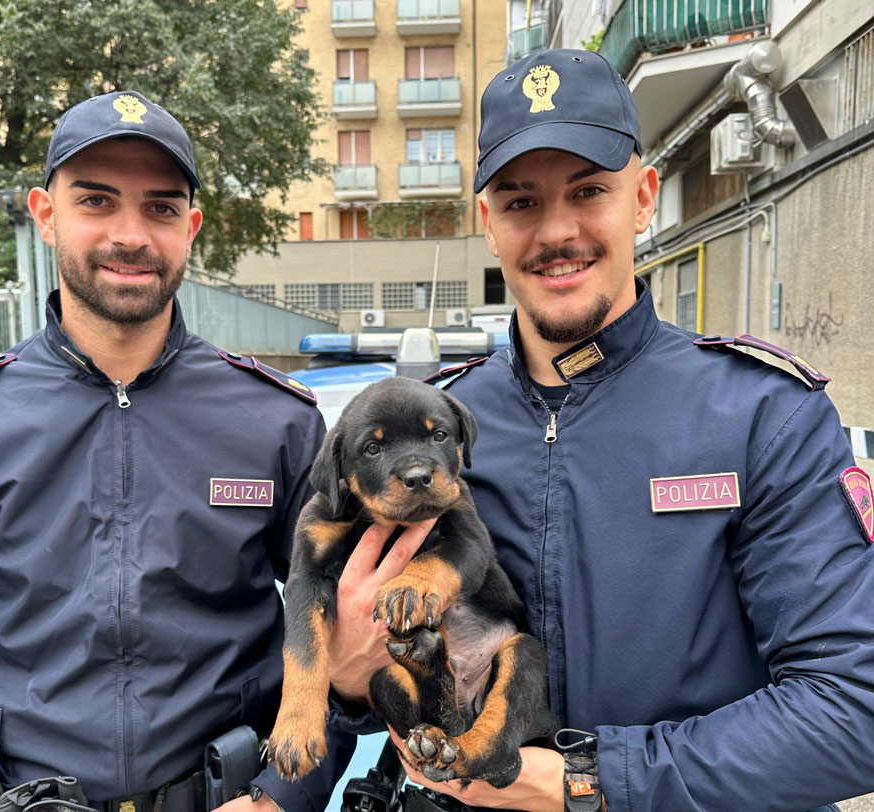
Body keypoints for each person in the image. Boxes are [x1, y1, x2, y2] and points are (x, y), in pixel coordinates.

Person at [328, 49, 874, 811]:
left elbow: (852, 713)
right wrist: (348, 687)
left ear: (643, 198)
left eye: (589, 191)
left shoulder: (762, 415)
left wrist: (589, 782)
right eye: (520, 202)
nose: (557, 231)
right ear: (489, 225)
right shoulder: (437, 431)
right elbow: (358, 670)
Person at [0, 90, 354, 811]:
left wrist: (283, 795)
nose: (131, 235)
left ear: (190, 228)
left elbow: (353, 634)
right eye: (96, 201)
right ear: (45, 214)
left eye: (161, 208)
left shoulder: (274, 423)